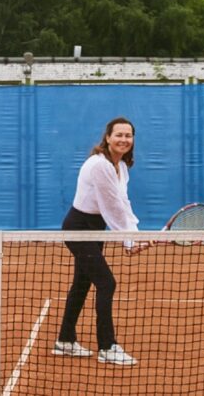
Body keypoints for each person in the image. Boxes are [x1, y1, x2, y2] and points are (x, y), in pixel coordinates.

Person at [52, 116, 145, 367]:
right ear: (107, 137)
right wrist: (128, 241)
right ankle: (107, 346)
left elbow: (122, 203)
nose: (124, 140)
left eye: (128, 135)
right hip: (79, 228)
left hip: (94, 228)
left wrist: (134, 234)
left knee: (82, 283)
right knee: (107, 283)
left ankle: (65, 340)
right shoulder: (99, 165)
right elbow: (111, 207)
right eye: (119, 135)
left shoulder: (121, 166)